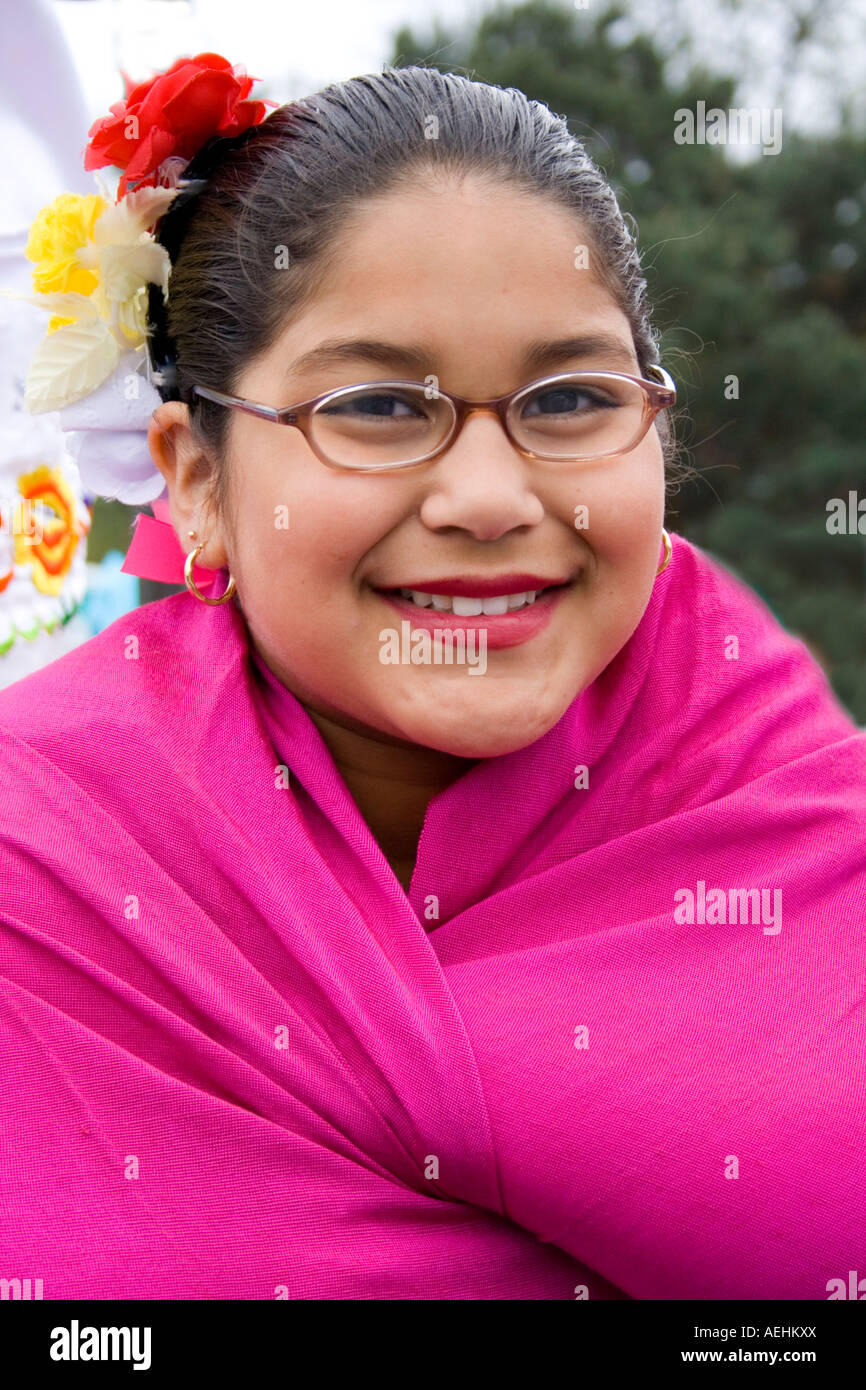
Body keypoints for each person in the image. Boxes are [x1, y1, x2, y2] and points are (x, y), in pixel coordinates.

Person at [0, 55, 863, 1302]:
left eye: (568, 398)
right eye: (377, 407)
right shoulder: (41, 870)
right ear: (196, 476)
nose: (486, 499)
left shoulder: (804, 829)